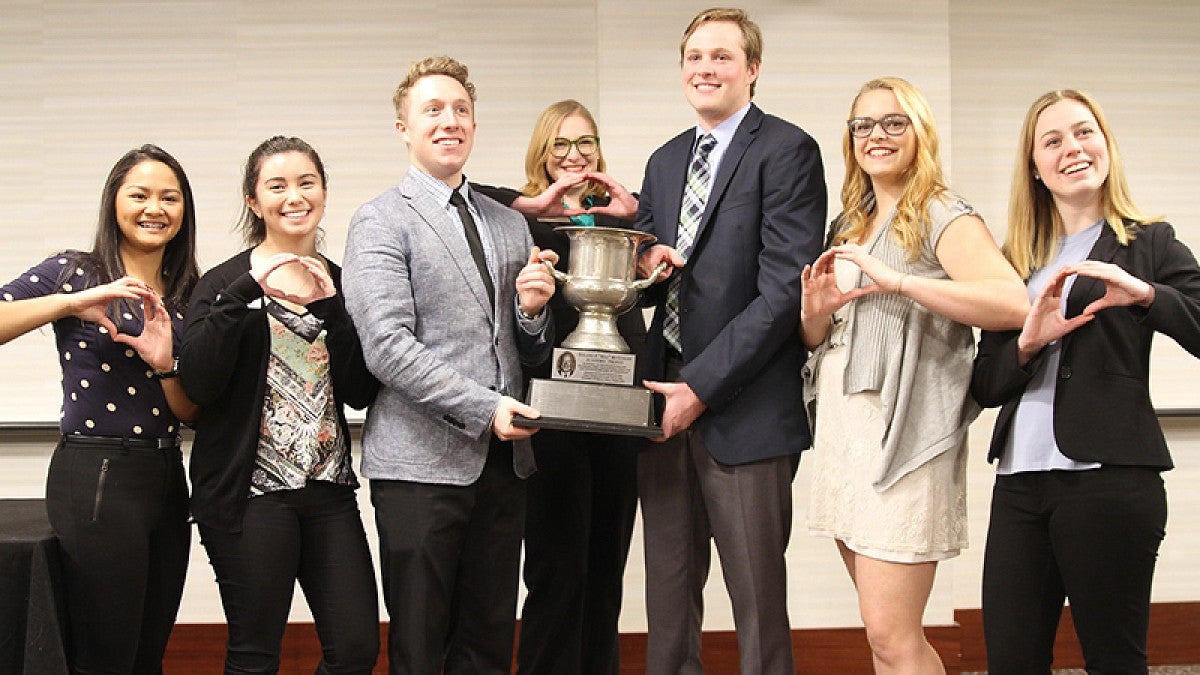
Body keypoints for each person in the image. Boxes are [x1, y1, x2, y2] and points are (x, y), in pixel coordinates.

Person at [798, 77, 1028, 673]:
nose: (877, 135)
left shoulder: (939, 210)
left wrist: (900, 281)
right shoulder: (854, 217)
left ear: (919, 130)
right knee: (881, 638)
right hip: (846, 431)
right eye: (863, 125)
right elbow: (820, 337)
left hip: (903, 438)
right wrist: (814, 311)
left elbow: (1012, 304)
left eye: (893, 122)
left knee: (895, 636)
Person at [971, 89, 1200, 674]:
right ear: (1035, 168)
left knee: (1114, 660)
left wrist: (1146, 295)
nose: (1072, 149)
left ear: (1105, 145)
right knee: (1011, 660)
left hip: (1109, 482)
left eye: (1084, 132)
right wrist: (1029, 339)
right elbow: (985, 385)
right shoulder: (1014, 261)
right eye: (1052, 141)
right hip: (1020, 485)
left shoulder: (1147, 242)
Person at [341, 56, 558, 675]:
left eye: (461, 109)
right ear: (403, 128)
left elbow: (524, 349)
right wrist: (487, 409)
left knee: (488, 646)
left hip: (503, 469)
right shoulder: (380, 220)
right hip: (417, 470)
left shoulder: (511, 224)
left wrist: (532, 313)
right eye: (432, 110)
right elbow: (386, 347)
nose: (450, 120)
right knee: (420, 649)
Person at [631, 8, 826, 673]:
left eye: (721, 56)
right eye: (694, 57)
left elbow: (783, 293)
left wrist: (700, 389)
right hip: (660, 406)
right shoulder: (662, 162)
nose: (705, 68)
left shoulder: (788, 150)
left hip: (743, 408)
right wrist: (641, 266)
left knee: (758, 609)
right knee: (668, 603)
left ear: (752, 68)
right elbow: (652, 289)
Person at [179, 136, 380, 674]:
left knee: (358, 648)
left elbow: (361, 390)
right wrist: (247, 290)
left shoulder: (341, 281)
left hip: (329, 491)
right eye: (277, 185)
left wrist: (332, 311)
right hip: (248, 495)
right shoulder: (223, 283)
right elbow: (198, 382)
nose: (294, 196)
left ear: (324, 192)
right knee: (254, 654)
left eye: (306, 182)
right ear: (254, 200)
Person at [0, 144, 200, 673]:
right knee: (103, 656)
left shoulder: (192, 293)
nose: (154, 208)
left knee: (147, 655)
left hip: (165, 475)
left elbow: (193, 412)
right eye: (139, 194)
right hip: (96, 474)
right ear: (114, 202)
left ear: (184, 213)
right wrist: (70, 304)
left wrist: (165, 365)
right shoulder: (75, 270)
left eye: (169, 197)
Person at [473, 99, 645, 675]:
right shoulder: (518, 220)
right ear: (542, 155)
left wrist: (633, 217)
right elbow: (471, 196)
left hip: (618, 420)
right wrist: (534, 204)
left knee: (606, 578)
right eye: (560, 145)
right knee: (556, 576)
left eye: (585, 143)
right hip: (552, 423)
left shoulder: (624, 222)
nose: (574, 155)